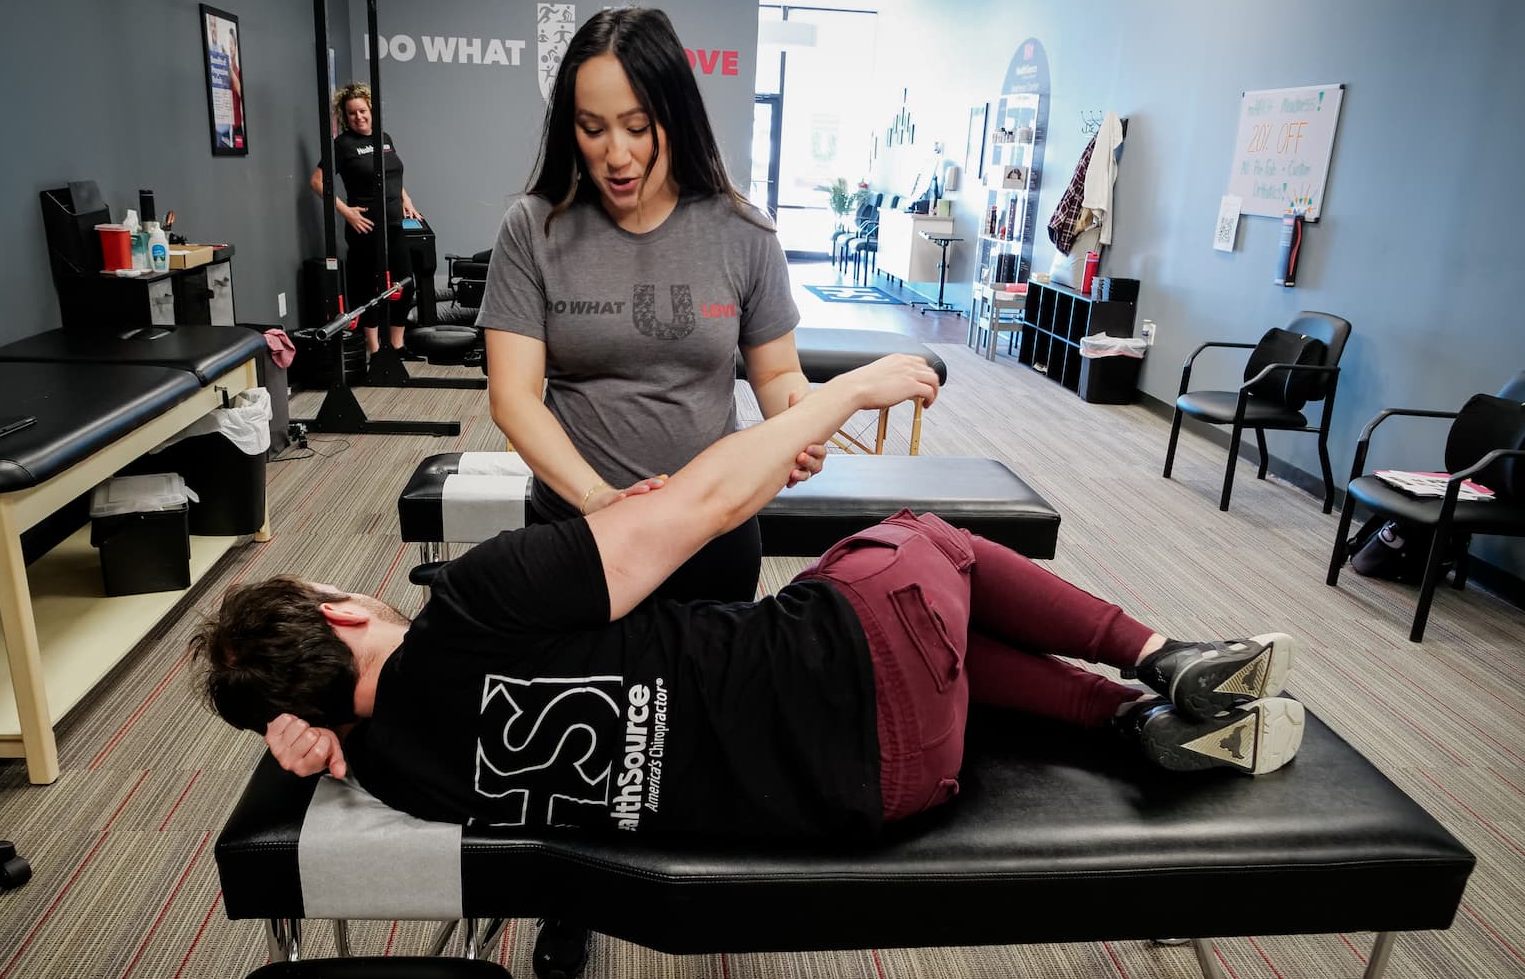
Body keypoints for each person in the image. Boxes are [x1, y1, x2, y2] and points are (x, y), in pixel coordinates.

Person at [190, 357, 1306, 842]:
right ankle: (1162, 655)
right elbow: (714, 505)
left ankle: (1128, 723)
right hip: (862, 676)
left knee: (889, 617)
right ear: (342, 614)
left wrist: (314, 736)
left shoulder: (397, 775)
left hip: (884, 791)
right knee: (922, 545)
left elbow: (328, 742)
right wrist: (848, 394)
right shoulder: (478, 602)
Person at [478, 6, 824, 604]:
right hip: (579, 532)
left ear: (676, 116)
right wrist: (598, 500)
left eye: (638, 127)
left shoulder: (744, 231)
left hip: (713, 527)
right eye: (593, 128)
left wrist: (795, 420)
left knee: (707, 695)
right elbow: (513, 398)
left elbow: (776, 371)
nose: (616, 155)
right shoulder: (533, 229)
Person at [311, 83, 421, 357]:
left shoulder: (384, 138)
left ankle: (397, 345)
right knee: (368, 290)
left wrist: (405, 198)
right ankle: (374, 349)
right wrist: (346, 211)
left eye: (362, 111)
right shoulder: (342, 145)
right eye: (351, 114)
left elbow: (393, 173)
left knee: (405, 285)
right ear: (345, 117)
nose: (359, 117)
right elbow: (316, 181)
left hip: (394, 224)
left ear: (370, 110)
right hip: (366, 227)